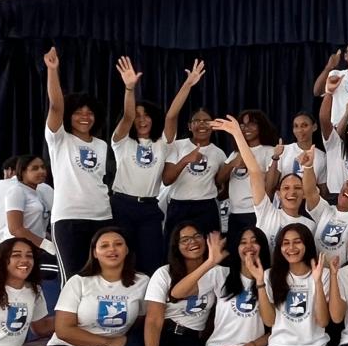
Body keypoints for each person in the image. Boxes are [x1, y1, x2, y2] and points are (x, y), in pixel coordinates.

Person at [110, 57, 204, 275]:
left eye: (147, 116)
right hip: (121, 205)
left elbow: (172, 115)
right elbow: (127, 116)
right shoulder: (122, 141)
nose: (142, 120)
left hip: (149, 209)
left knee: (152, 262)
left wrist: (188, 84)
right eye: (138, 117)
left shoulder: (162, 144)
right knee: (122, 262)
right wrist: (129, 89)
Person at [42, 47, 113, 280]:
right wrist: (53, 70)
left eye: (89, 113)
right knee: (72, 279)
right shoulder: (59, 138)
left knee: (101, 277)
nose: (85, 117)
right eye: (78, 112)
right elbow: (56, 106)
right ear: (69, 115)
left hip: (102, 216)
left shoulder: (101, 145)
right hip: (68, 218)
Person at [216, 109, 280, 255]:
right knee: (235, 254)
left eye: (252, 124)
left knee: (256, 253)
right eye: (242, 125)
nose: (246, 128)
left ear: (261, 127)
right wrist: (233, 163)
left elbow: (271, 186)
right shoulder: (234, 153)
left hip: (256, 212)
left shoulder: (269, 151)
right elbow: (219, 180)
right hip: (234, 213)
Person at [162, 104, 227, 246]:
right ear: (189, 126)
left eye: (207, 121)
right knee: (174, 247)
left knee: (209, 248)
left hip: (206, 207)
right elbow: (166, 179)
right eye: (197, 121)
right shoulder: (177, 146)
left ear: (213, 125)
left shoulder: (219, 153)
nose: (202, 124)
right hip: (179, 206)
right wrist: (186, 160)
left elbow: (221, 185)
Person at [1, 156, 53, 254]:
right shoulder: (16, 191)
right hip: (17, 250)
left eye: (43, 167)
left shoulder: (40, 192)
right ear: (22, 172)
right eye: (35, 168)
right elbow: (15, 229)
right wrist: (46, 245)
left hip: (35, 248)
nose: (42, 171)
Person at [268, 111, 327, 195]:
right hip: (286, 199)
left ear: (314, 127)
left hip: (308, 201)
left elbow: (323, 189)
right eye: (296, 126)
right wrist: (276, 157)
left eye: (304, 125)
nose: (299, 130)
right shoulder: (284, 150)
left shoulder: (322, 156)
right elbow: (269, 186)